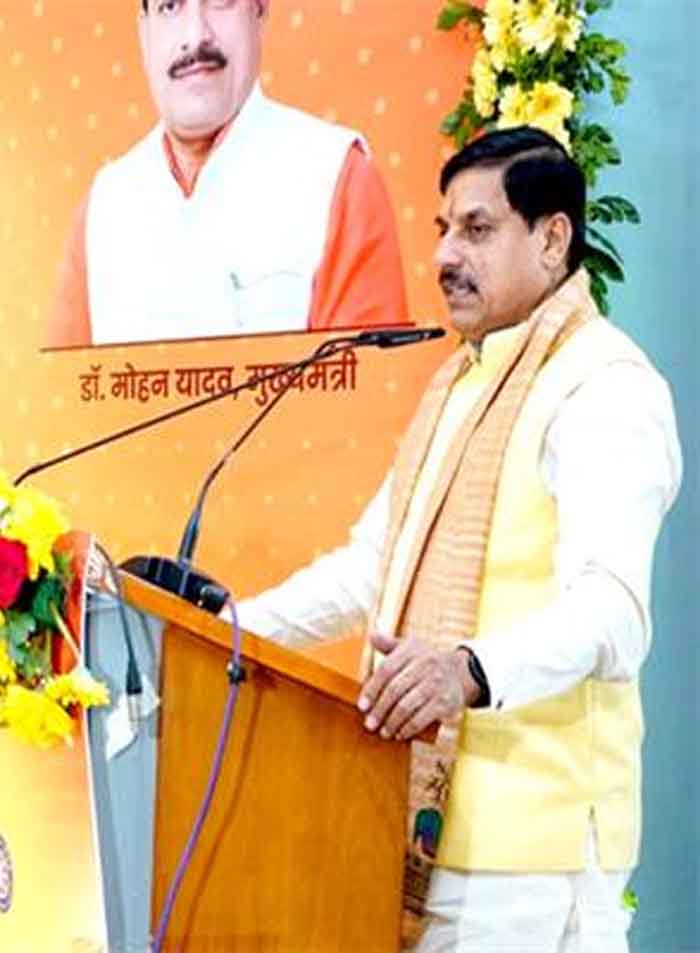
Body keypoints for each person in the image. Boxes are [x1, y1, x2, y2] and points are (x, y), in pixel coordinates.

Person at [236, 125, 682, 952]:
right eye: (444, 229)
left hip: (533, 862)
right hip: (423, 836)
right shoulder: (460, 386)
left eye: (477, 229)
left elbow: (613, 612)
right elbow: (373, 566)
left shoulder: (604, 387)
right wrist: (231, 630)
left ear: (552, 239)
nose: (445, 255)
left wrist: (468, 670)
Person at [45, 0, 407, 347]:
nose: (195, 35)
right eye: (169, 5)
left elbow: (369, 384)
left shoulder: (337, 175)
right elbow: (62, 386)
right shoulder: (104, 206)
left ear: (259, 10)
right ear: (145, 31)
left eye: (220, 1)